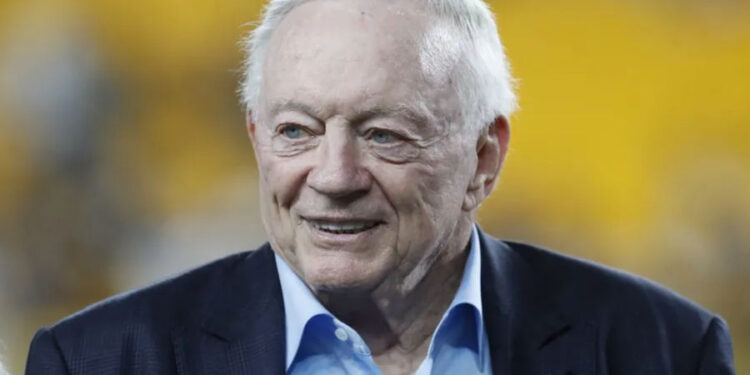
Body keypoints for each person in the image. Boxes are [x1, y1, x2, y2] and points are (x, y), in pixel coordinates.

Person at [26, 0, 736, 374]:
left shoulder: (664, 349)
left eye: (385, 134)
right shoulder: (100, 359)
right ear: (254, 138)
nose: (334, 177)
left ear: (485, 157)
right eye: (297, 131)